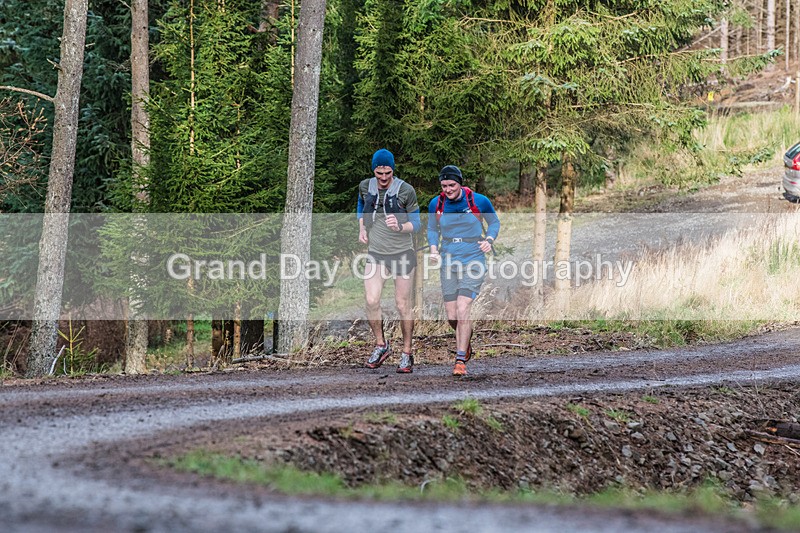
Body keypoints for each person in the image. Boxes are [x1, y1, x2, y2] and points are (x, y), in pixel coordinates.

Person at [428, 165, 500, 376]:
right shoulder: (437, 203)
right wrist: (433, 249)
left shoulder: (478, 201)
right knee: (452, 316)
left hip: (473, 258)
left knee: (462, 307)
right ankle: (465, 339)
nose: (448, 190)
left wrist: (489, 239)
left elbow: (494, 222)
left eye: (452, 185)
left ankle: (460, 360)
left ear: (460, 183)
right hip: (448, 259)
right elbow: (432, 229)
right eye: (444, 186)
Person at [357, 148, 421, 373]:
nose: (383, 178)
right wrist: (362, 228)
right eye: (379, 173)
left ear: (393, 170)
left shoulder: (406, 190)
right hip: (376, 254)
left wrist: (401, 227)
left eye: (388, 173)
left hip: (402, 254)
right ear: (373, 170)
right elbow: (361, 207)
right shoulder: (365, 186)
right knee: (371, 300)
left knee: (402, 304)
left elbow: (417, 223)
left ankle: (407, 353)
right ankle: (381, 345)